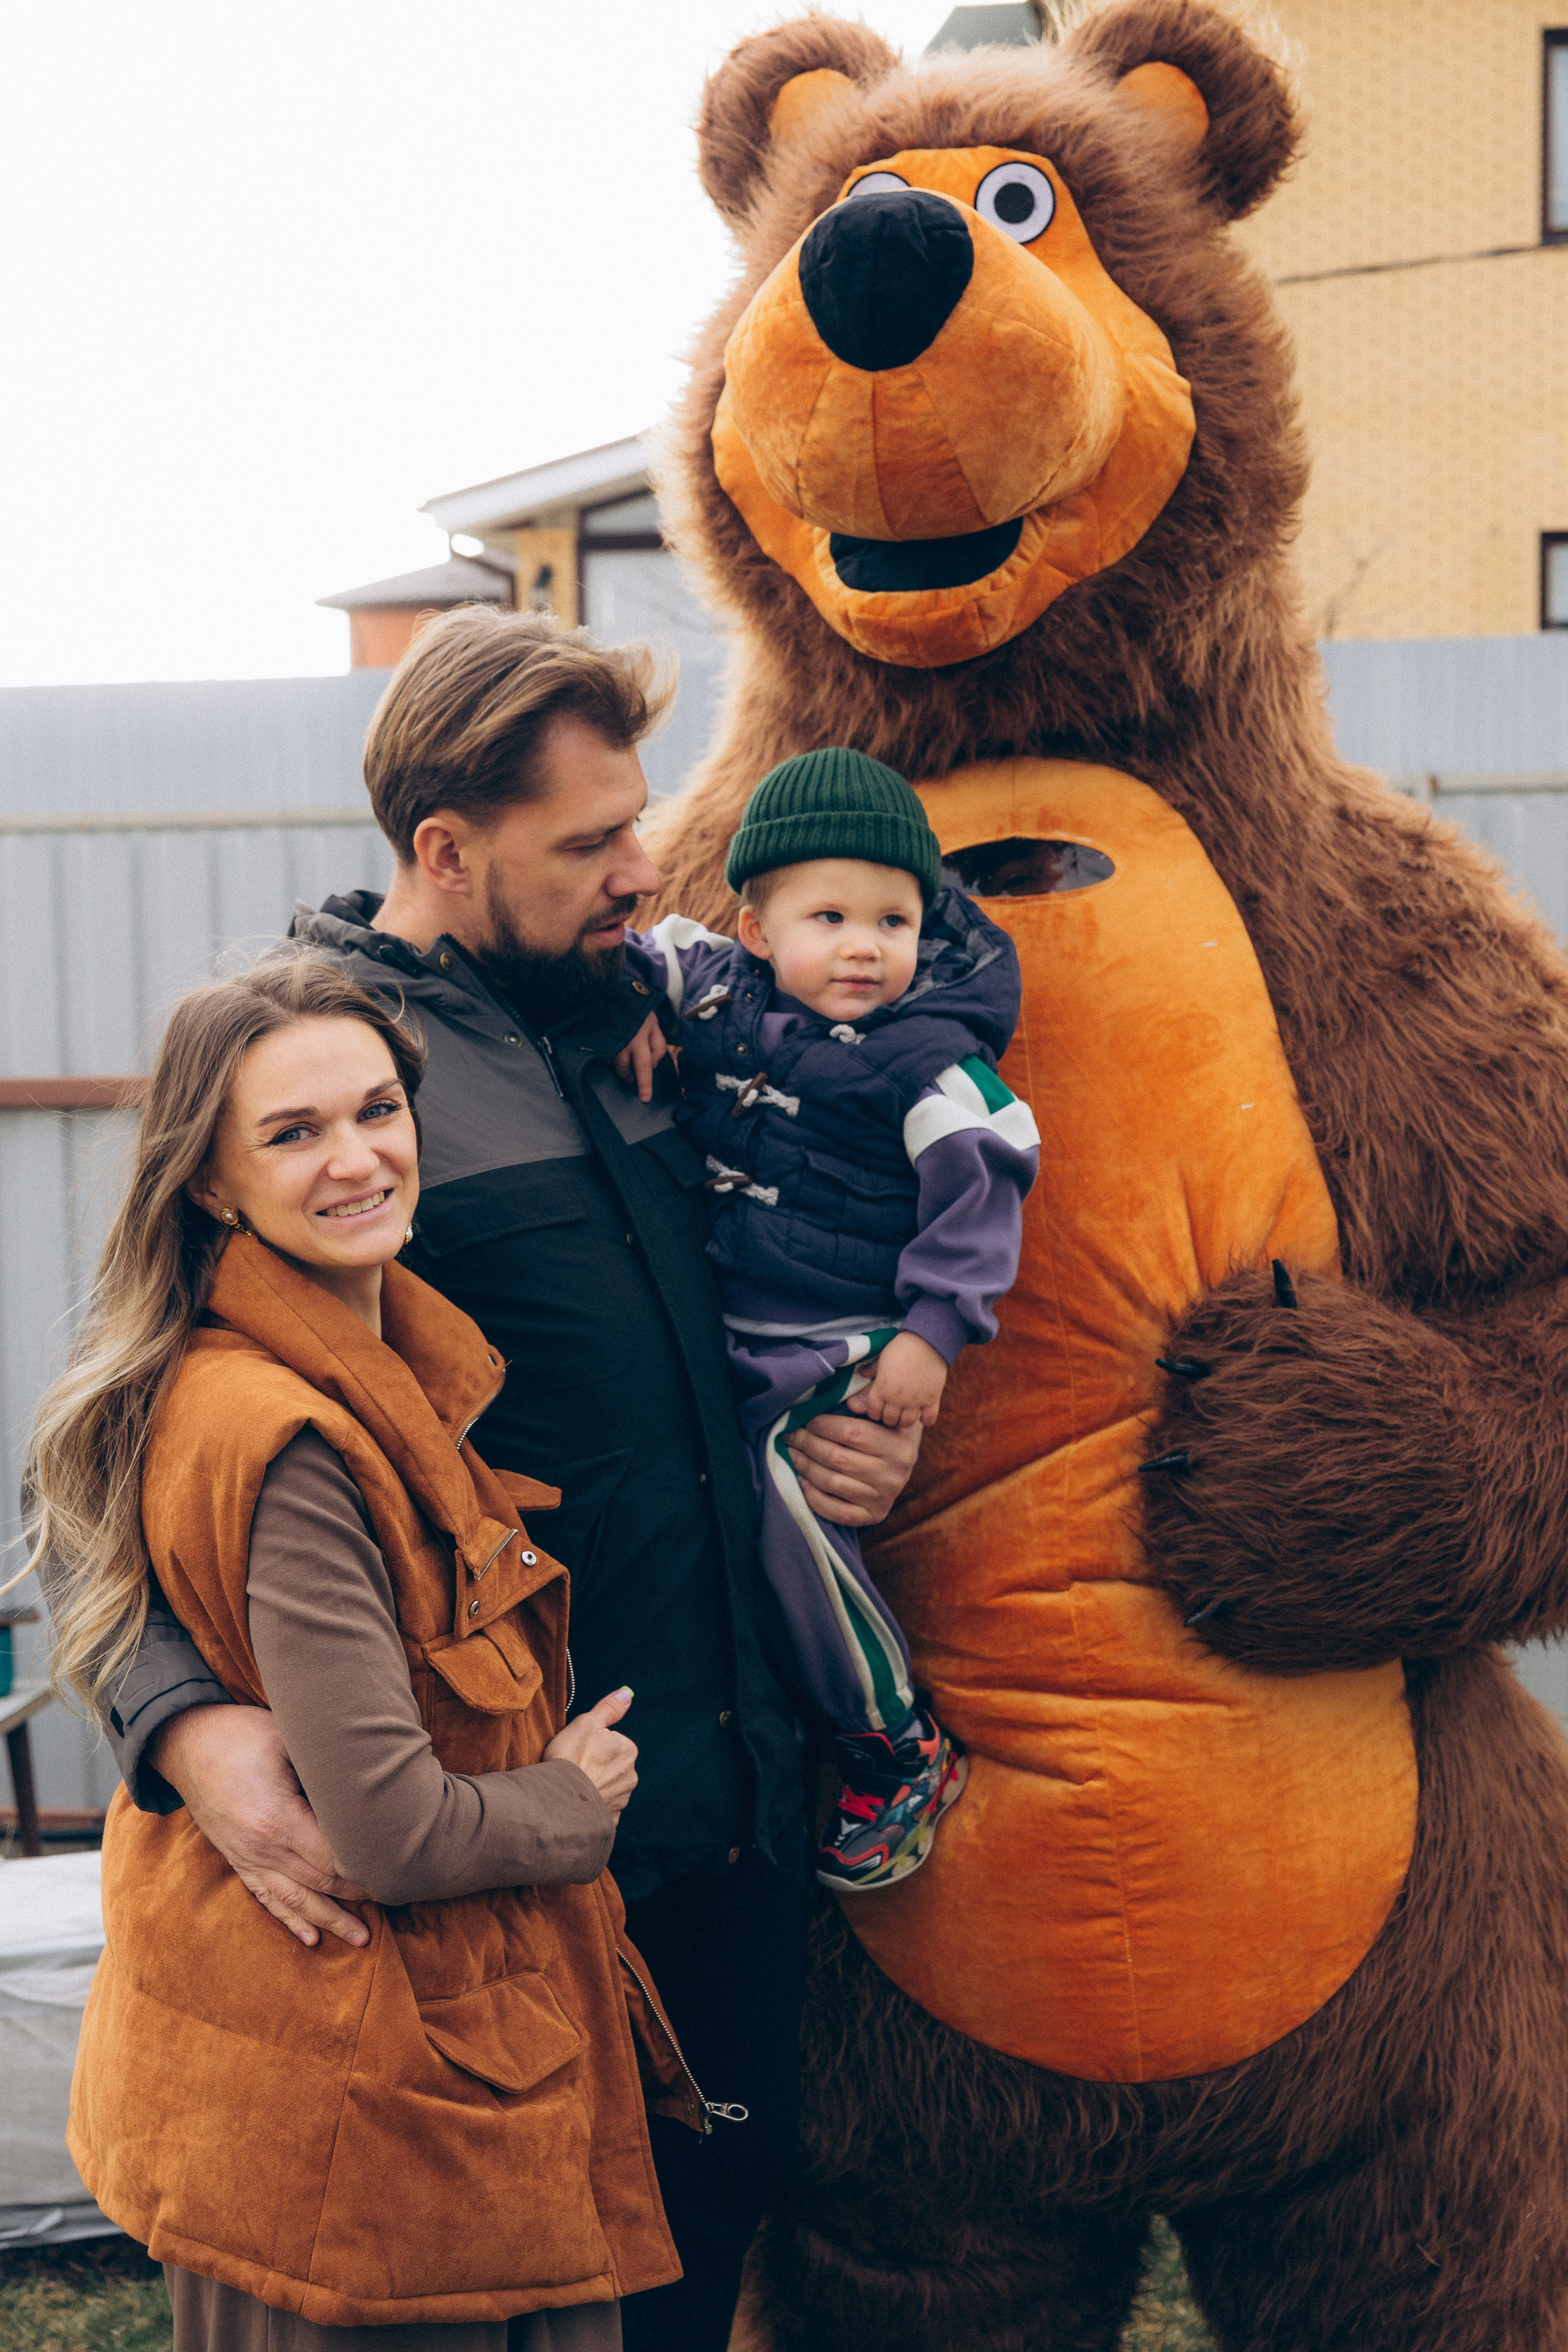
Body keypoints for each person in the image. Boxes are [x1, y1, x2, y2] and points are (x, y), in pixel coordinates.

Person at [76, 608, 921, 2352]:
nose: (645, 867)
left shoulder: (660, 1027)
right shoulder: (328, 1090)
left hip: (729, 1802)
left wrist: (869, 1402)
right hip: (517, 1857)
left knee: (701, 2277)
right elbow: (128, 1447)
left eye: (640, 820)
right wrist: (181, 1725)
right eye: (593, 843)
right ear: (450, 853)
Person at [37, 955, 694, 2348]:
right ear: (208, 1183)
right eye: (292, 1132)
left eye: (377, 1110)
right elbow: (385, 1834)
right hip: (366, 2113)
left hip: (378, 2089)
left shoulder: (379, 1363)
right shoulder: (294, 1441)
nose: (357, 1158)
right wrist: (572, 1802)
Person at [622, 750, 1039, 1893]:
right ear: (758, 930)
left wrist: (934, 1332)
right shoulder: (719, 992)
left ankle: (892, 1737)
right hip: (736, 1318)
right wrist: (628, 1013)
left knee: (784, 1495)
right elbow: (638, 954)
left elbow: (991, 1175)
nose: (865, 946)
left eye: (894, 920)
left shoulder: (927, 1061)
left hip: (845, 1335)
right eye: (832, 917)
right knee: (722, 1496)